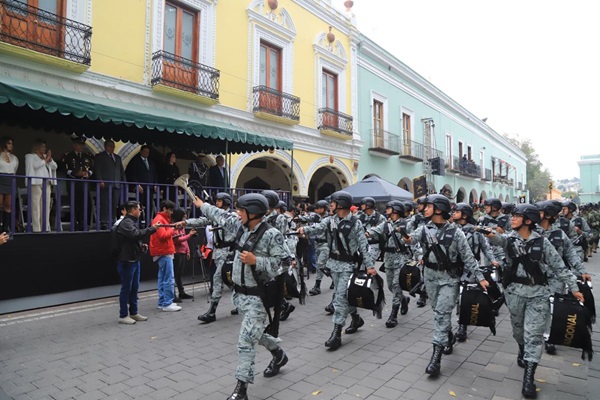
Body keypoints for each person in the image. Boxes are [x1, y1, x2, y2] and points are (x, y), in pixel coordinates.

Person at [194, 193, 289, 400]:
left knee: (246, 340)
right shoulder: (240, 226)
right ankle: (279, 354)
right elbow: (219, 215)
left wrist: (257, 261)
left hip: (258, 298)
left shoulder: (272, 234)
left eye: (240, 210)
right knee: (255, 334)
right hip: (240, 296)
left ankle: (241, 389)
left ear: (252, 213)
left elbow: (284, 263)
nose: (237, 213)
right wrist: (202, 204)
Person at [486, 204, 584, 399]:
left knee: (534, 335)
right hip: (514, 293)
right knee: (519, 331)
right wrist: (489, 234)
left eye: (516, 216)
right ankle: (522, 349)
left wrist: (574, 287)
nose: (511, 219)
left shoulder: (542, 243)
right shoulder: (510, 240)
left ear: (528, 221)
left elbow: (559, 267)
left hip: (538, 295)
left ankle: (529, 377)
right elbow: (499, 240)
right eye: (512, 216)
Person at [403, 194, 488, 377]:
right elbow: (412, 241)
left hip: (450, 279)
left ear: (439, 209)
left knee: (442, 314)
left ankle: (436, 357)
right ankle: (448, 335)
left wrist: (480, 277)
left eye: (428, 206)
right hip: (430, 278)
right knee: (437, 311)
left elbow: (468, 257)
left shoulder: (456, 233)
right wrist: (406, 238)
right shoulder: (425, 229)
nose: (424, 209)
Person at [298, 191, 376, 351]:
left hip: (348, 266)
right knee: (345, 296)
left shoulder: (355, 223)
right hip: (333, 265)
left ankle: (336, 333)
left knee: (340, 298)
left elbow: (363, 245)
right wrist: (303, 230)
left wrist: (370, 266)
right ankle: (356, 318)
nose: (330, 205)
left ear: (341, 204)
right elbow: (317, 228)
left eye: (333, 202)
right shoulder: (330, 220)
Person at [451, 202, 499, 342]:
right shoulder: (451, 229)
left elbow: (485, 247)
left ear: (465, 215)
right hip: (455, 268)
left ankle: (462, 325)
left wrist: (492, 260)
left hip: (471, 268)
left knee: (465, 297)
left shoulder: (476, 231)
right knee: (456, 297)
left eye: (456, 211)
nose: (453, 213)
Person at [190, 192, 238, 323]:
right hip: (219, 252)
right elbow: (203, 220)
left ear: (226, 202)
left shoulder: (231, 216)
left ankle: (212, 311)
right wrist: (184, 222)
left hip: (227, 252)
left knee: (217, 280)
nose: (216, 203)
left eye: (220, 201)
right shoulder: (216, 215)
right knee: (232, 281)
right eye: (216, 200)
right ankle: (241, 303)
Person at [367, 200, 412, 327]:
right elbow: (375, 230)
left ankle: (393, 314)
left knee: (396, 285)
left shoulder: (405, 224)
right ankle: (404, 299)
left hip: (400, 258)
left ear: (396, 210)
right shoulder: (386, 224)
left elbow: (412, 239)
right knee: (391, 287)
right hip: (388, 259)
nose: (386, 210)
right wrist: (366, 233)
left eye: (389, 208)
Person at [114, 201, 160, 324]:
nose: (141, 211)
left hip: (133, 258)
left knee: (134, 288)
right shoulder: (126, 223)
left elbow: (132, 239)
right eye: (139, 209)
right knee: (126, 288)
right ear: (133, 210)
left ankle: (133, 312)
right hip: (126, 260)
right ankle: (123, 315)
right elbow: (135, 235)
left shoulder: (131, 223)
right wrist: (153, 229)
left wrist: (141, 245)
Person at [149, 200, 182, 312]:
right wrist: (173, 229)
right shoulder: (159, 220)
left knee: (163, 278)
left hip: (162, 251)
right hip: (164, 251)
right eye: (170, 210)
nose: (171, 212)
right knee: (168, 278)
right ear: (164, 209)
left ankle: (163, 302)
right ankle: (167, 303)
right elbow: (163, 236)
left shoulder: (160, 219)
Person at [59, 137, 94, 231]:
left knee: (85, 204)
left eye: (82, 145)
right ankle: (75, 224)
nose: (81, 146)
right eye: (79, 144)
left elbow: (92, 168)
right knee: (75, 204)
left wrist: (88, 173)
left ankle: (84, 224)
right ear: (74, 145)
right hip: (73, 183)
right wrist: (75, 173)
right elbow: (64, 169)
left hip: (85, 183)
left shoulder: (87, 156)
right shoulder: (68, 156)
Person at [25, 139, 57, 232]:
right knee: (36, 206)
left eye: (45, 146)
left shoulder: (45, 156)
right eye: (42, 146)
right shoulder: (30, 156)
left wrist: (49, 160)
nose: (44, 148)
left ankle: (45, 227)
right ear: (37, 147)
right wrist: (45, 160)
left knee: (46, 205)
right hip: (36, 183)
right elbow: (35, 166)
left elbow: (55, 166)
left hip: (46, 183)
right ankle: (37, 228)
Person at [94, 140, 125, 229]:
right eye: (110, 146)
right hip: (106, 184)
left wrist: (124, 181)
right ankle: (104, 221)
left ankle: (112, 220)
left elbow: (121, 171)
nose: (112, 148)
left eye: (113, 146)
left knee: (114, 203)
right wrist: (100, 180)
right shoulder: (100, 156)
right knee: (105, 203)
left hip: (116, 184)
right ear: (105, 146)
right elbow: (98, 169)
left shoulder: (117, 157)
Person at [171, 208, 196, 302]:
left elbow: (184, 240)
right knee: (175, 273)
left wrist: (188, 251)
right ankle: (173, 294)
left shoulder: (182, 227)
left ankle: (181, 292)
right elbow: (177, 240)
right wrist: (189, 235)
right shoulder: (174, 226)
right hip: (176, 252)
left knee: (179, 274)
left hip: (182, 251)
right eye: (184, 215)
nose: (185, 216)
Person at [0, 136, 18, 233]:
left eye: (12, 143)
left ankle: (5, 228)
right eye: (9, 143)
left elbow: (14, 170)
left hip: (10, 179)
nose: (11, 145)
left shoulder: (14, 158)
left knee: (8, 204)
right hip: (1, 178)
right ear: (4, 144)